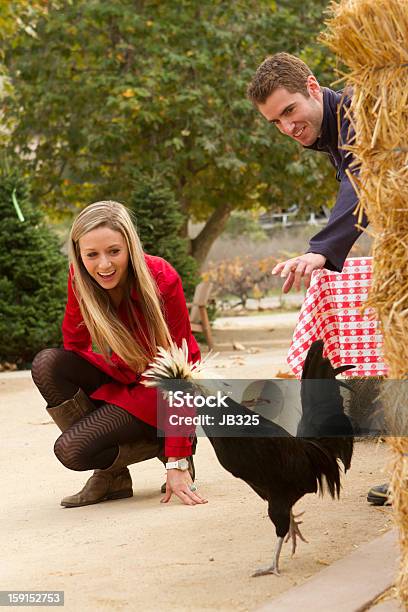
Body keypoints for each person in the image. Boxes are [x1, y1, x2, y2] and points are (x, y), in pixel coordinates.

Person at [247, 52, 388, 506]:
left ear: (312, 86)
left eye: (289, 111)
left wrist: (321, 250)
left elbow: (362, 178)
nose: (287, 127)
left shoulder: (356, 111)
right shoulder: (329, 133)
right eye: (275, 122)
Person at [31, 200, 207, 508]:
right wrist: (96, 405)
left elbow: (182, 369)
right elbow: (74, 345)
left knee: (72, 450)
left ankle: (168, 446)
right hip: (124, 375)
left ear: (130, 246)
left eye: (114, 251)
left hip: (161, 389)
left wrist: (177, 458)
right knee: (48, 363)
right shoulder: (81, 278)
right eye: (92, 255)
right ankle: (115, 477)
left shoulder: (161, 278)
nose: (104, 265)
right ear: (79, 253)